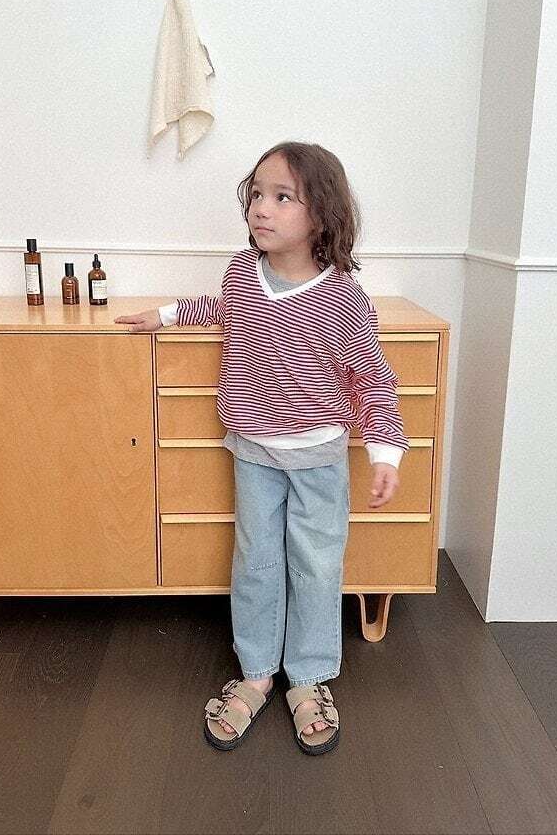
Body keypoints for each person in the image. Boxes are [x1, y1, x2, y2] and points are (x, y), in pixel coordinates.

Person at [114, 141, 408, 755]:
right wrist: (166, 314)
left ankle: (308, 677)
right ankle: (255, 671)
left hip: (319, 458)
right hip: (253, 451)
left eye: (281, 197)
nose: (261, 209)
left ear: (321, 214)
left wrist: (385, 451)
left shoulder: (344, 297)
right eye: (256, 195)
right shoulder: (241, 271)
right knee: (255, 562)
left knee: (316, 565)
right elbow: (223, 308)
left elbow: (372, 379)